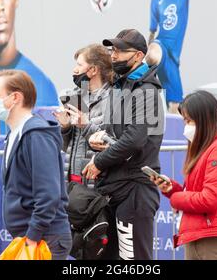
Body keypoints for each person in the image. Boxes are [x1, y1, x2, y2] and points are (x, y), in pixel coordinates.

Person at [82, 29, 165, 260]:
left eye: (119, 51)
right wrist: (99, 138)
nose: (114, 56)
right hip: (115, 185)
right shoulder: (121, 87)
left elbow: (135, 139)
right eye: (112, 50)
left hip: (135, 187)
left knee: (133, 261)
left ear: (138, 56)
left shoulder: (147, 90)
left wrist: (100, 161)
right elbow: (118, 136)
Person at [0, 69, 71, 260]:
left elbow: (48, 192)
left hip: (44, 239)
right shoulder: (16, 134)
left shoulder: (36, 135)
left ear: (15, 97)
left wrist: (33, 235)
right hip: (29, 237)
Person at [152, 90, 217, 260]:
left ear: (205, 119)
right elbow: (195, 190)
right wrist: (172, 189)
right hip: (199, 233)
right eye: (185, 121)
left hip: (210, 237)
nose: (187, 126)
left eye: (189, 121)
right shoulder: (207, 146)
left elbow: (209, 199)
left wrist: (176, 198)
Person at [146, 0, 204, 114]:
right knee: (153, 53)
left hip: (174, 58)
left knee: (175, 107)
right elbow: (152, 32)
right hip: (162, 46)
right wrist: (147, 57)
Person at [53, 44, 113, 184]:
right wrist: (65, 127)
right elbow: (65, 146)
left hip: (96, 183)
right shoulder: (74, 96)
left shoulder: (113, 99)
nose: (75, 70)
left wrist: (85, 124)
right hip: (71, 181)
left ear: (93, 70)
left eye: (79, 65)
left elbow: (112, 144)